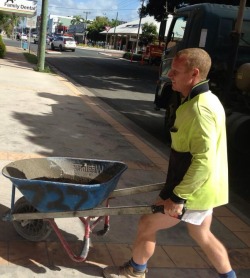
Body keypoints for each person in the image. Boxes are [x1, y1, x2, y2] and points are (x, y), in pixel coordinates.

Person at [103, 48, 237, 278]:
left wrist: (178, 197)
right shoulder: (206, 100)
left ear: (194, 73)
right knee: (202, 234)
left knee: (147, 224)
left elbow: (203, 161)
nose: (170, 75)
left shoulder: (200, 109)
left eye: (175, 71)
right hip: (204, 189)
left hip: (193, 191)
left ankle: (135, 271)